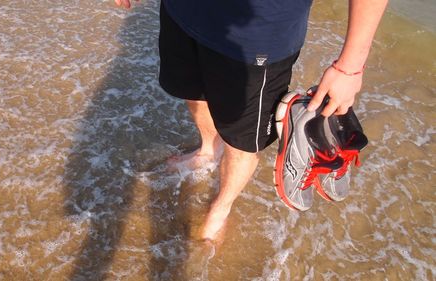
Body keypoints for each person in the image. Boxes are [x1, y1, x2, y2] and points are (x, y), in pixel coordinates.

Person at [115, 0, 388, 241]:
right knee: (194, 92)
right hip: (182, 12)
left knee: (242, 137)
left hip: (257, 38)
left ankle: (222, 206)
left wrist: (350, 66)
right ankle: (208, 151)